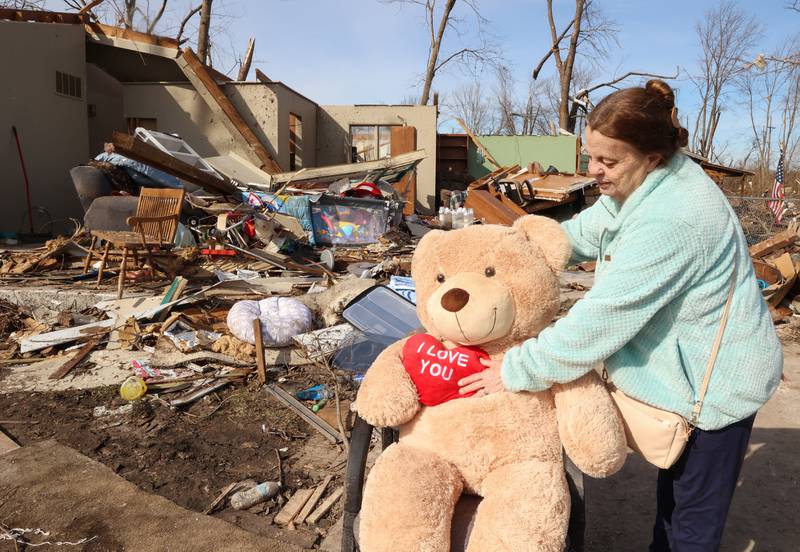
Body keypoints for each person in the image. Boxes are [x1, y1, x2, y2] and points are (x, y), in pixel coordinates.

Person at [458, 80, 782, 551]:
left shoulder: (677, 218)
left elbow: (602, 320)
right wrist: (515, 253)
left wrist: (516, 368)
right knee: (674, 494)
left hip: (718, 386)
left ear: (651, 156)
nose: (594, 173)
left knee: (691, 522)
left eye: (608, 162)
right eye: (591, 158)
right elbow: (584, 232)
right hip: (688, 372)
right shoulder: (645, 184)